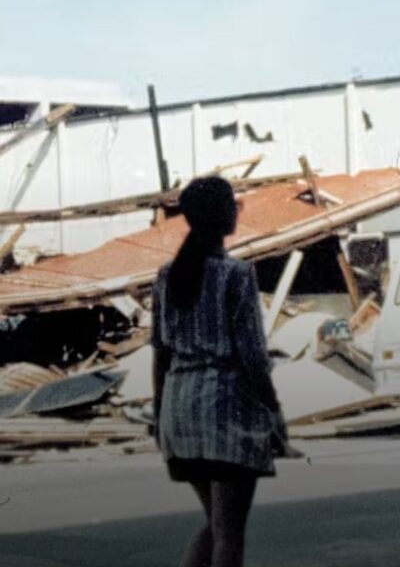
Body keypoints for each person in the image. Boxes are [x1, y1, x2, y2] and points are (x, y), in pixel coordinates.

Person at [152, 176, 289, 567]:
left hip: (180, 412)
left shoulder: (166, 276)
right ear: (222, 213)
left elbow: (160, 351)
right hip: (225, 410)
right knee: (229, 534)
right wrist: (273, 412)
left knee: (215, 524)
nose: (237, 209)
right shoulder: (236, 275)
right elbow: (252, 356)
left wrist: (161, 414)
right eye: (233, 203)